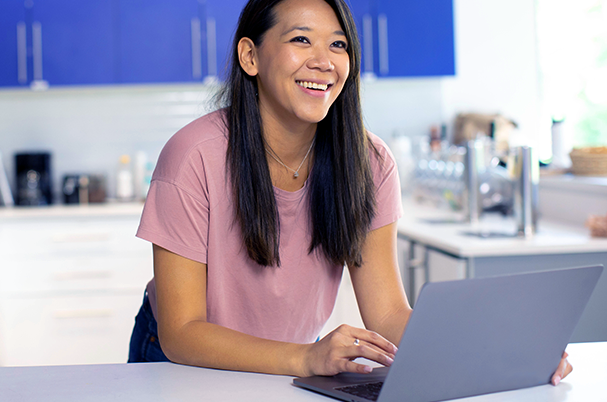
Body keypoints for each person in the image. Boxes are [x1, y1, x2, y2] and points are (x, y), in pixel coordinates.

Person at [128, 0, 572, 384]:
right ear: (250, 56)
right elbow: (182, 331)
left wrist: (505, 354)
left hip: (294, 358)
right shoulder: (194, 156)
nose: (324, 61)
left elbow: (389, 315)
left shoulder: (369, 163)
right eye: (301, 40)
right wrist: (305, 357)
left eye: (338, 44)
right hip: (186, 361)